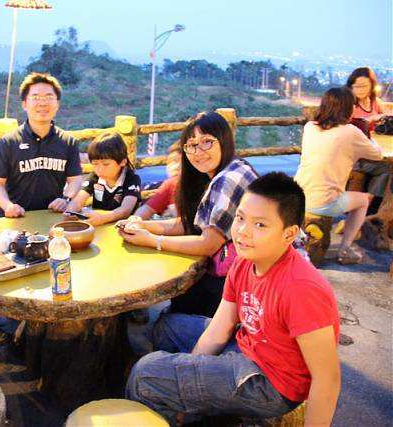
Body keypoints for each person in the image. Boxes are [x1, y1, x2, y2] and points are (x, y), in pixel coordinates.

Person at [127, 172, 341, 426]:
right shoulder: (244, 262)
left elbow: (327, 379)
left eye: (260, 225)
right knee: (165, 327)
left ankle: (178, 403)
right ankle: (190, 410)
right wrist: (191, 367)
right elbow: (220, 327)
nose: (242, 232)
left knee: (146, 374)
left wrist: (179, 373)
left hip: (271, 383)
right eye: (240, 218)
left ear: (289, 234)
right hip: (245, 346)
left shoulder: (302, 288)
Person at [117, 112, 258, 317]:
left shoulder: (227, 179)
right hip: (241, 272)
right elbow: (190, 224)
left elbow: (208, 244)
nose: (198, 152)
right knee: (183, 296)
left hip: (249, 284)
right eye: (192, 145)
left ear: (224, 140)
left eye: (207, 142)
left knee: (167, 322)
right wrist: (142, 225)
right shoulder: (231, 167)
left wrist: (153, 241)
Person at [294, 87, 383, 264]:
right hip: (324, 203)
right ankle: (345, 249)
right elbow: (378, 154)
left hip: (297, 195)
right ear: (348, 108)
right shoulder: (350, 131)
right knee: (364, 200)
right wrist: (370, 135)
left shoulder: (310, 127)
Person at [0, 72, 83, 217]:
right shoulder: (8, 142)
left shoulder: (68, 142)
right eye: (35, 97)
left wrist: (65, 198)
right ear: (24, 104)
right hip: (17, 218)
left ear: (57, 104)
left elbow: (75, 179)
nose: (42, 103)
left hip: (53, 216)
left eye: (49, 97)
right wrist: (8, 206)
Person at [65, 132, 141, 226]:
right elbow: (78, 200)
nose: (99, 169)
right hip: (99, 226)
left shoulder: (132, 179)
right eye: (95, 164)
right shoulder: (95, 177)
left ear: (122, 162)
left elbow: (125, 210)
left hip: (123, 228)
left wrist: (103, 218)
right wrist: (70, 211)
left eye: (106, 164)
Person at [346, 67, 391, 214]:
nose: (360, 90)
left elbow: (386, 116)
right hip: (355, 155)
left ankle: (368, 206)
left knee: (386, 166)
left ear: (372, 86)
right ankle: (368, 204)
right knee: (387, 168)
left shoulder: (374, 102)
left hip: (371, 148)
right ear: (350, 86)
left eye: (364, 86)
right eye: (356, 86)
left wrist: (382, 118)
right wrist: (370, 119)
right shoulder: (348, 104)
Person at [134, 143, 181, 219]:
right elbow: (147, 209)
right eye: (170, 162)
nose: (175, 167)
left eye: (181, 161)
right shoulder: (169, 185)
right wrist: (133, 220)